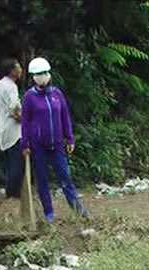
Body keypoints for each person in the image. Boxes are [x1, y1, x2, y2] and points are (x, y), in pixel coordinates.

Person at [21, 57, 88, 222]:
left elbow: (65, 116)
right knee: (42, 180)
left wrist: (70, 138)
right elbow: (25, 122)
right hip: (38, 146)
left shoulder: (57, 94)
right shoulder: (30, 97)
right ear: (33, 77)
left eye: (44, 73)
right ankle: (49, 213)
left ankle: (78, 210)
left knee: (65, 177)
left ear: (49, 74)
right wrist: (25, 143)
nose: (41, 76)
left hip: (57, 144)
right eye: (37, 74)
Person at [0, 58, 23, 198]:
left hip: (2, 130)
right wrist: (22, 119)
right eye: (18, 67)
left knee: (8, 161)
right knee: (16, 162)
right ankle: (13, 192)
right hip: (14, 130)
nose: (20, 69)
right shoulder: (11, 87)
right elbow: (15, 107)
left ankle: (8, 188)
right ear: (12, 71)